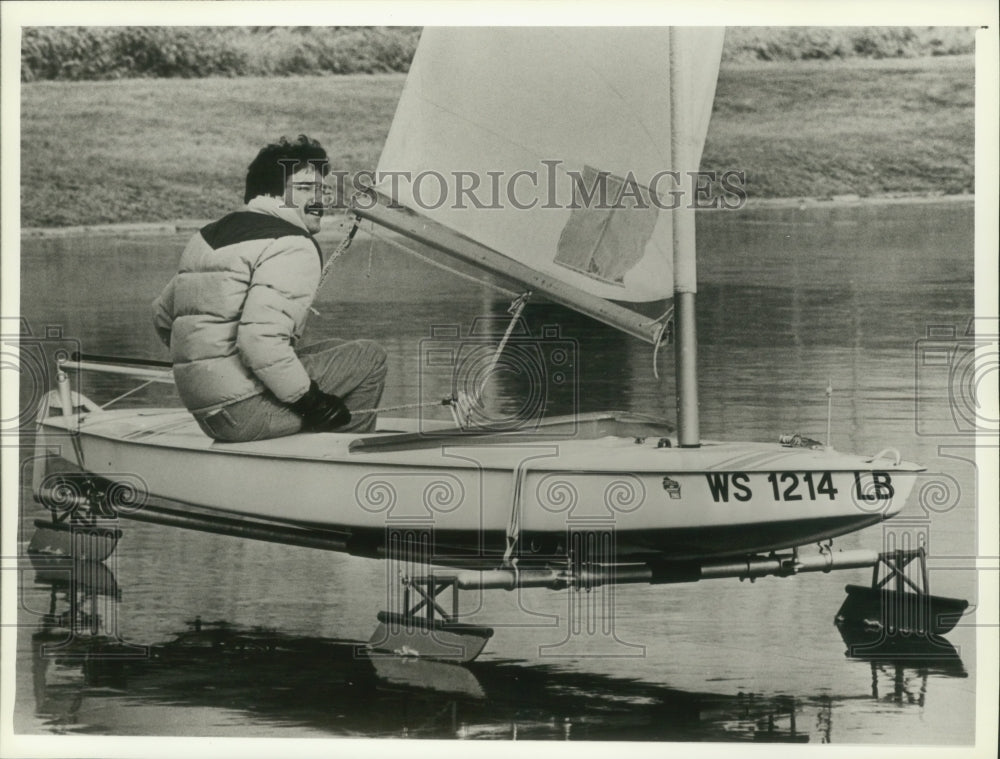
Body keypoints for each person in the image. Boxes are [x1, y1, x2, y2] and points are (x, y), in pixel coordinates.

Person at [152, 134, 387, 442]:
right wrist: (312, 403)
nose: (320, 200)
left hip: (209, 414)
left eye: (321, 189)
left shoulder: (210, 235)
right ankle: (339, 455)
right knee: (370, 357)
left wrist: (205, 367)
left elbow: (161, 314)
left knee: (335, 349)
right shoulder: (292, 244)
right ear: (274, 194)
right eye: (304, 189)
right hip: (247, 414)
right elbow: (259, 342)